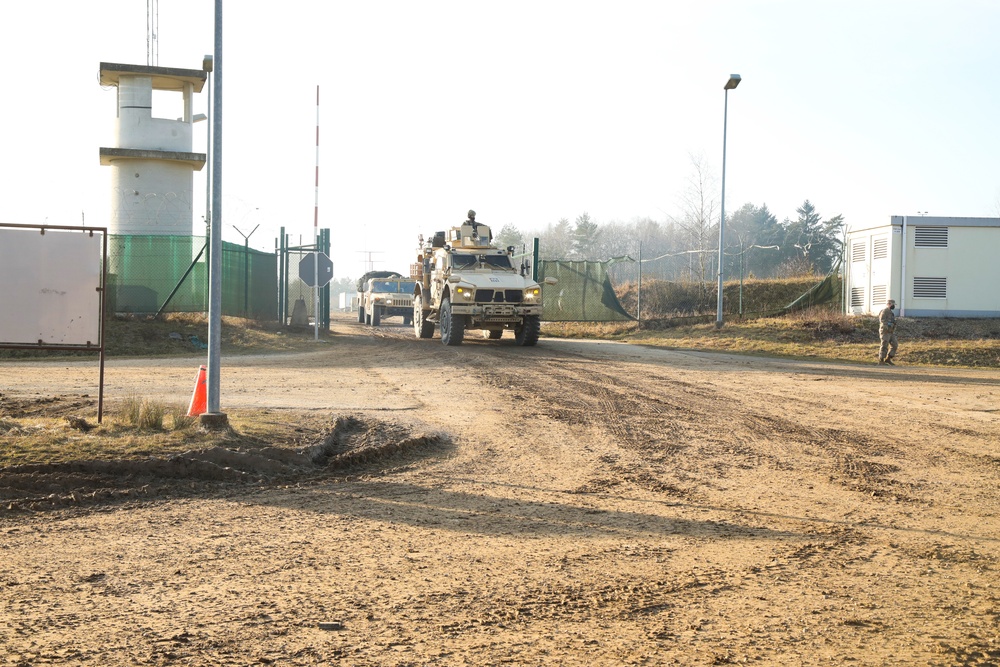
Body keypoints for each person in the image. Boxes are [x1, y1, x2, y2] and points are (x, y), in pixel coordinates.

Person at [878, 298, 898, 365]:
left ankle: (888, 358)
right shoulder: (884, 311)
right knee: (884, 345)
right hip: (885, 331)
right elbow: (882, 321)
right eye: (893, 304)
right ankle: (881, 360)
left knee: (895, 344)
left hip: (891, 331)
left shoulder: (891, 313)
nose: (894, 306)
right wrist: (887, 325)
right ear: (889, 304)